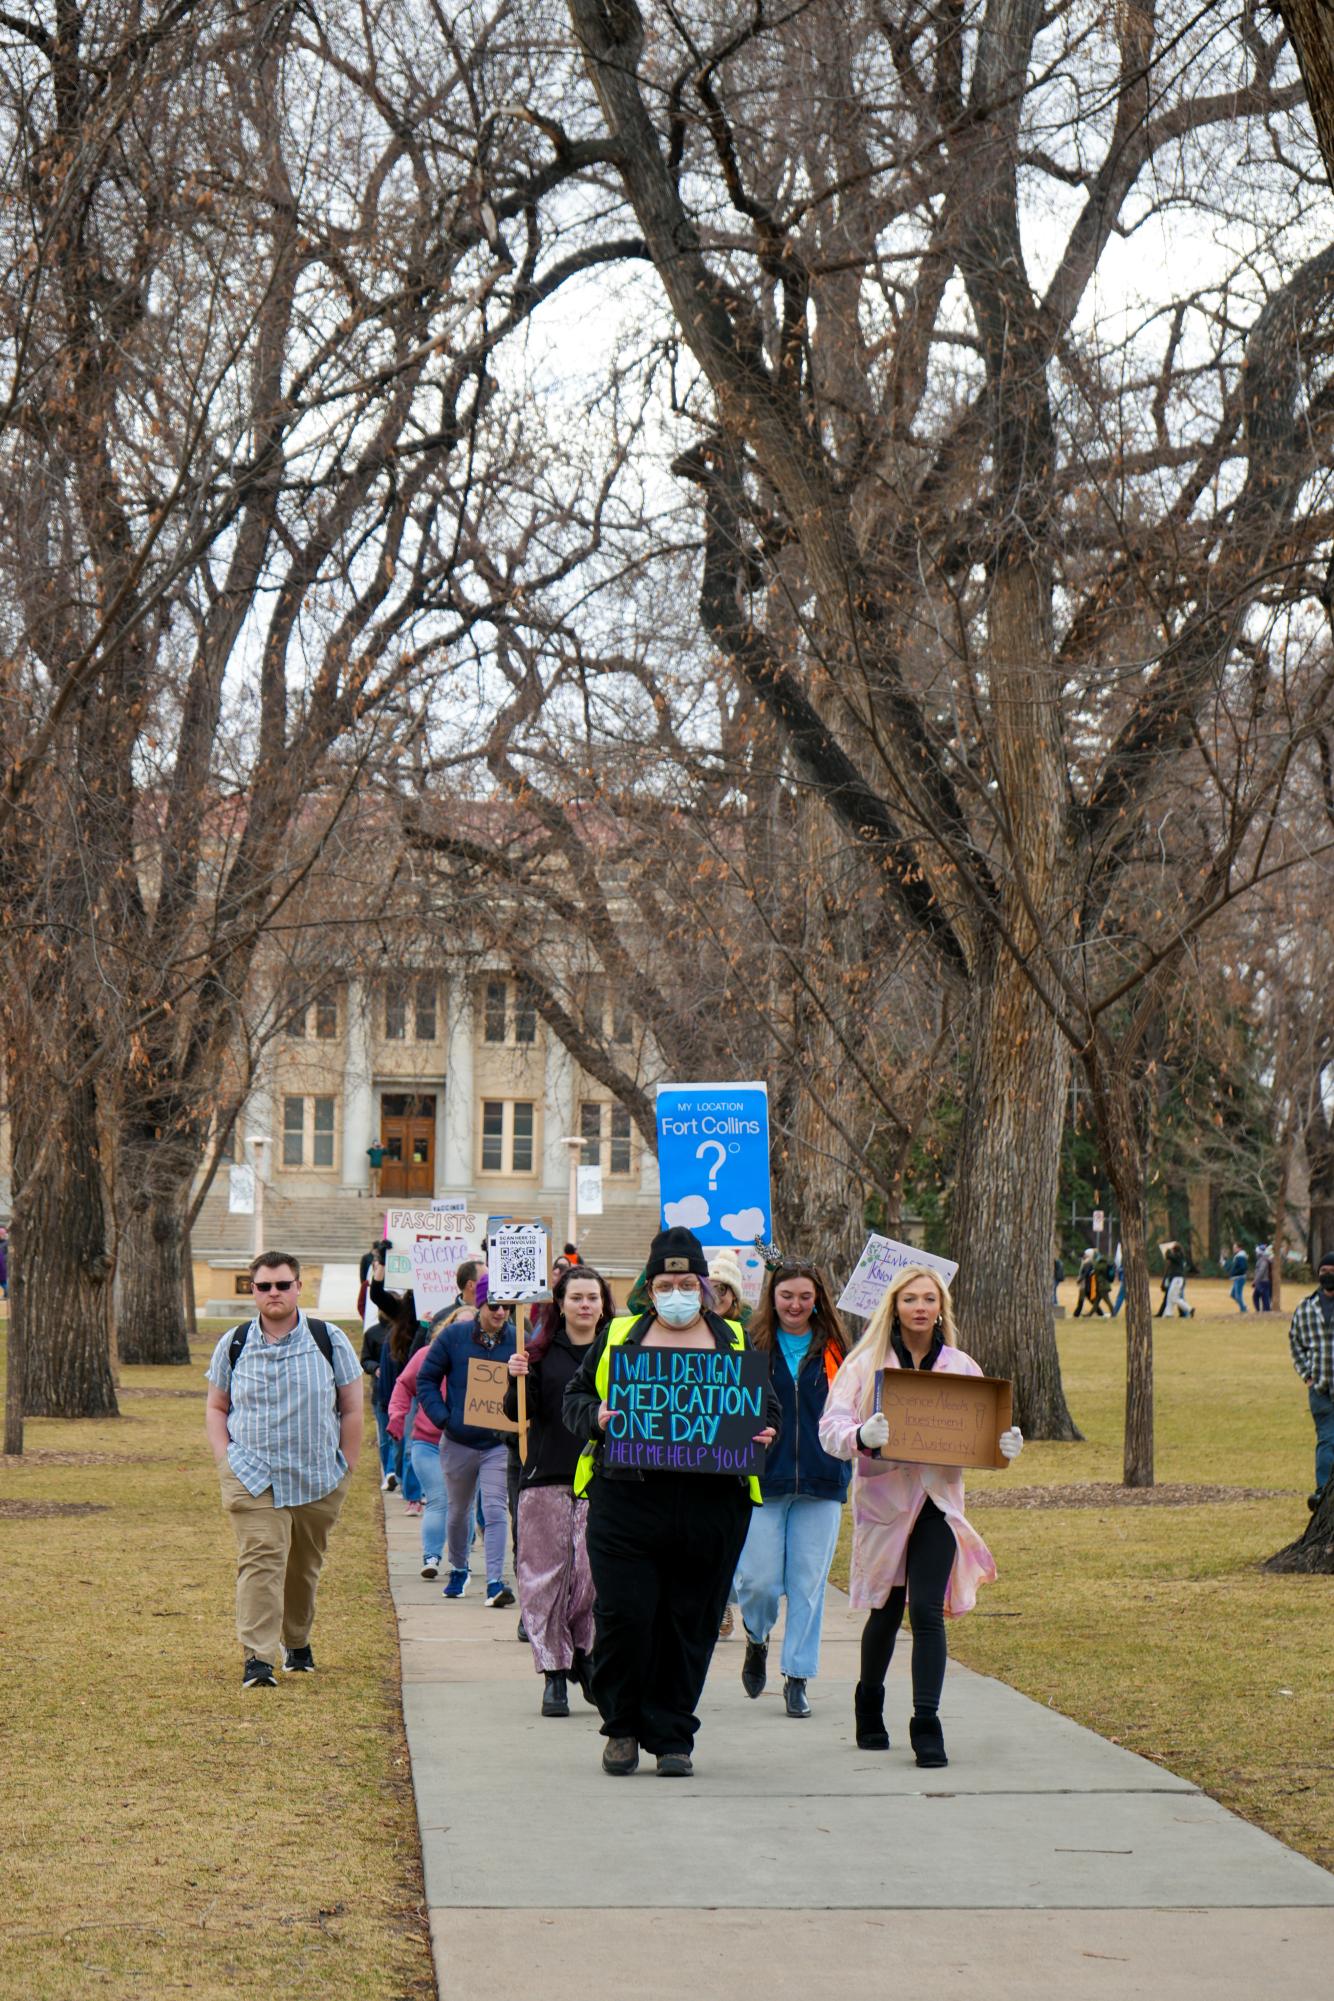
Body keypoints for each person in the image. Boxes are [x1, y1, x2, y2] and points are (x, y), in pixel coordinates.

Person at [563, 1225, 780, 1779]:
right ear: (649, 1286)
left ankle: (672, 1734)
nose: (676, 1292)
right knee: (624, 1617)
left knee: (691, 1622)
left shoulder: (733, 1340)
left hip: (712, 1506)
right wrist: (598, 1418)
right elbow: (577, 1398)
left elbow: (768, 1410)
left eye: (687, 1281)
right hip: (628, 1500)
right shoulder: (619, 1335)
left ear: (703, 1285)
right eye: (666, 1282)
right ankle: (622, 1727)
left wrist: (764, 1431)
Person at [818, 1264, 1023, 1766]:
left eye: (929, 1299)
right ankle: (869, 1702)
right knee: (886, 1613)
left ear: (940, 1308)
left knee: (927, 1610)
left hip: (938, 1505)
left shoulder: (961, 1367)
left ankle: (926, 1722)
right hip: (885, 1507)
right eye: (911, 1299)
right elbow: (831, 1427)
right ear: (895, 1305)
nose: (920, 1308)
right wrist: (859, 1437)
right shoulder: (866, 1364)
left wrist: (1003, 1444)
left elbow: (981, 1432)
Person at [204, 1250, 363, 1690]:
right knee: (261, 1560)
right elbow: (217, 1407)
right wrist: (225, 1458)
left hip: (317, 1476)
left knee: (303, 1566)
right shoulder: (234, 1343)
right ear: (253, 1291)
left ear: (298, 1287)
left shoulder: (328, 1339)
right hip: (252, 1475)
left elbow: (351, 1408)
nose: (273, 1293)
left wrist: (347, 1465)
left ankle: (297, 1641)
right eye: (264, 1286)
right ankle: (258, 1658)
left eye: (282, 1284)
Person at [734, 1262, 849, 1718]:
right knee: (757, 1581)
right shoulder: (751, 1343)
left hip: (822, 1481)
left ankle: (797, 1675)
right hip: (764, 1478)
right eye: (787, 1296)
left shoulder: (838, 1351)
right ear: (772, 1297)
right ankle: (756, 1637)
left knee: (808, 1585)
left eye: (804, 1296)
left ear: (817, 1297)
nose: (796, 1305)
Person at [502, 1265, 612, 1716]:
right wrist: (516, 1377)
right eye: (576, 1297)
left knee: (591, 1578)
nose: (585, 1305)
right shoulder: (538, 1354)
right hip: (547, 1476)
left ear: (604, 1303)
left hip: (602, 1479)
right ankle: (554, 1674)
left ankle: (584, 1655)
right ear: (560, 1304)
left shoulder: (620, 1353)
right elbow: (516, 1415)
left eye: (592, 1297)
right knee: (544, 1578)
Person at [416, 1272, 518, 1606]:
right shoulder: (454, 1337)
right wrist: (444, 1418)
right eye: (493, 1305)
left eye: (505, 1306)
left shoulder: (518, 1342)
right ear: (479, 1303)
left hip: (498, 1444)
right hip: (458, 1440)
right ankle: (459, 1568)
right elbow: (426, 1379)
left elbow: (531, 1388)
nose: (500, 1312)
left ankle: (494, 1581)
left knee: (494, 1509)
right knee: (458, 1511)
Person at [388, 1343, 447, 1577]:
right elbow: (404, 1384)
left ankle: (461, 1560)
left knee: (462, 1504)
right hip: (427, 1440)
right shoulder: (428, 1354)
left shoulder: (483, 1357)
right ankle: (431, 1556)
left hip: (465, 1443)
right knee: (438, 1499)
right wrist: (397, 1416)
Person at [1288, 1249, 1334, 1509]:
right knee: (1327, 1439)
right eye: (1324, 1272)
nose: (1328, 1277)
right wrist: (1307, 1375)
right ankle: (1323, 1492)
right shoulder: (1306, 1308)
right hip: (1321, 1388)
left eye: (1332, 1273)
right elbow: (1295, 1344)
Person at [1157, 1240, 1193, 1317]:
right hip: (1177, 1279)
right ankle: (1169, 1313)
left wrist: (1167, 1250)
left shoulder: (1178, 1256)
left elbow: (1168, 1256)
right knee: (1170, 1296)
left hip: (1177, 1279)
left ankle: (1189, 1309)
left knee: (1174, 1297)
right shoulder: (1179, 1256)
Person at [1072, 1249, 1107, 1317]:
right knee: (1090, 1299)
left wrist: (1079, 1280)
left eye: (1085, 1254)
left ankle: (1076, 1314)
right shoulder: (1086, 1262)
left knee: (1082, 1300)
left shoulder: (1087, 1263)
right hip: (1085, 1284)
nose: (1084, 1255)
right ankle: (1100, 1312)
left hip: (1085, 1285)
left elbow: (1085, 1273)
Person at [1228, 1242, 1249, 1313]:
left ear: (1239, 1248)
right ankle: (1244, 1306)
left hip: (1240, 1278)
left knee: (1238, 1295)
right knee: (1232, 1294)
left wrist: (1234, 1273)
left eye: (1235, 1248)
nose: (1233, 1249)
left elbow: (1243, 1268)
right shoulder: (1238, 1256)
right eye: (1233, 1248)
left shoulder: (1241, 1256)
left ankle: (1243, 1309)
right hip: (1237, 1278)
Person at [1253, 1243, 1273, 1314]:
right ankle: (1261, 1311)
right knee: (1258, 1297)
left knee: (1264, 1298)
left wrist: (1255, 1281)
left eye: (1256, 1251)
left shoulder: (1264, 1260)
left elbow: (1261, 1272)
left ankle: (1266, 1311)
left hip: (1263, 1282)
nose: (1256, 1253)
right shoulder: (1262, 1259)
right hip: (1261, 1282)